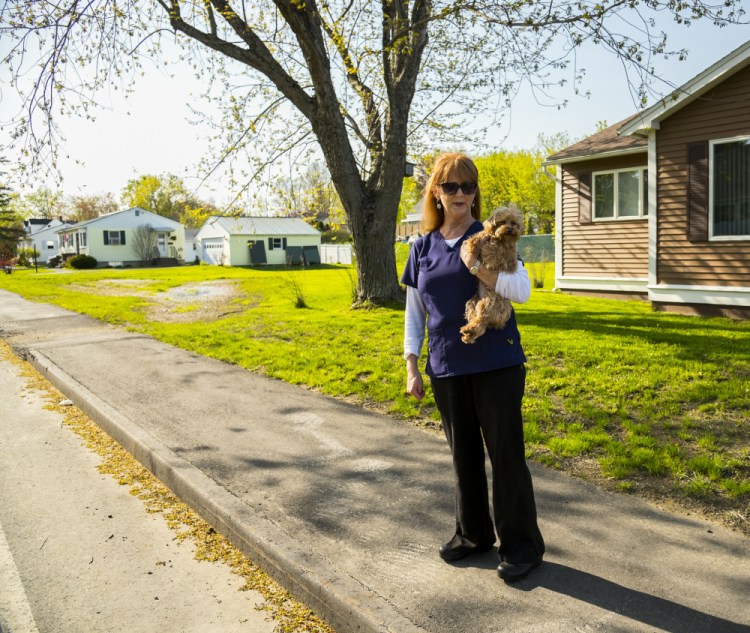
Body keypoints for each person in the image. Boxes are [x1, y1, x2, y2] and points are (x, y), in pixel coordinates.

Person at [401, 152, 545, 582]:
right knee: (463, 457)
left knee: (506, 457)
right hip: (446, 366)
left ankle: (521, 546)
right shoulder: (421, 246)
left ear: (475, 192)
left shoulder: (490, 237)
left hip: (496, 364)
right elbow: (414, 313)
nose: (460, 193)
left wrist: (479, 269)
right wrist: (411, 365)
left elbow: (523, 290)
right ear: (436, 193)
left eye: (468, 186)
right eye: (451, 186)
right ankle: (473, 534)